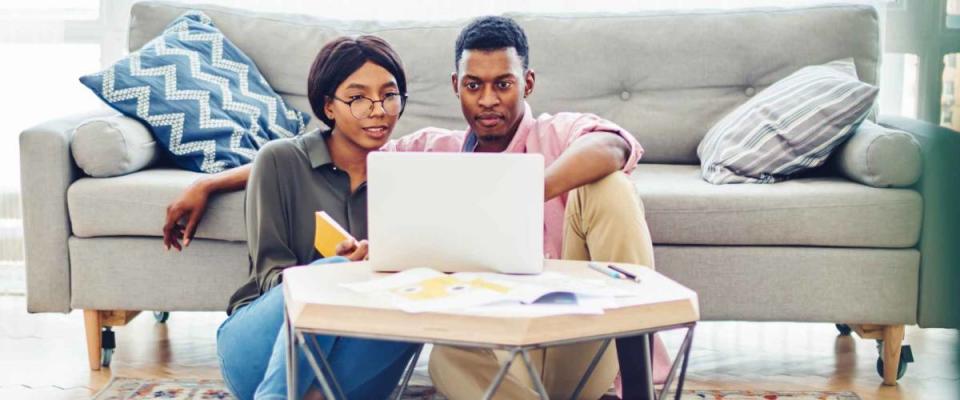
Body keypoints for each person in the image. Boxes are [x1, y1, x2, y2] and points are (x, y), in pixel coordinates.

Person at [360, 15, 669, 400]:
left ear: (528, 83)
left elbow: (614, 146)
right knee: (445, 361)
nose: (488, 100)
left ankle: (640, 386)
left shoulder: (557, 133)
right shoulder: (429, 150)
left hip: (578, 339)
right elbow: (354, 161)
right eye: (474, 86)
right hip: (495, 352)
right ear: (457, 86)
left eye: (503, 84)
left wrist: (522, 191)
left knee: (610, 186)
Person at [214, 35, 419, 400]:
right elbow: (269, 277)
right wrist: (336, 270)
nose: (378, 109)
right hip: (259, 346)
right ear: (329, 106)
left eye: (389, 95)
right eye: (357, 98)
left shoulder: (409, 174)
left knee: (414, 295)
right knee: (331, 273)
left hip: (356, 353)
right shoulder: (279, 161)